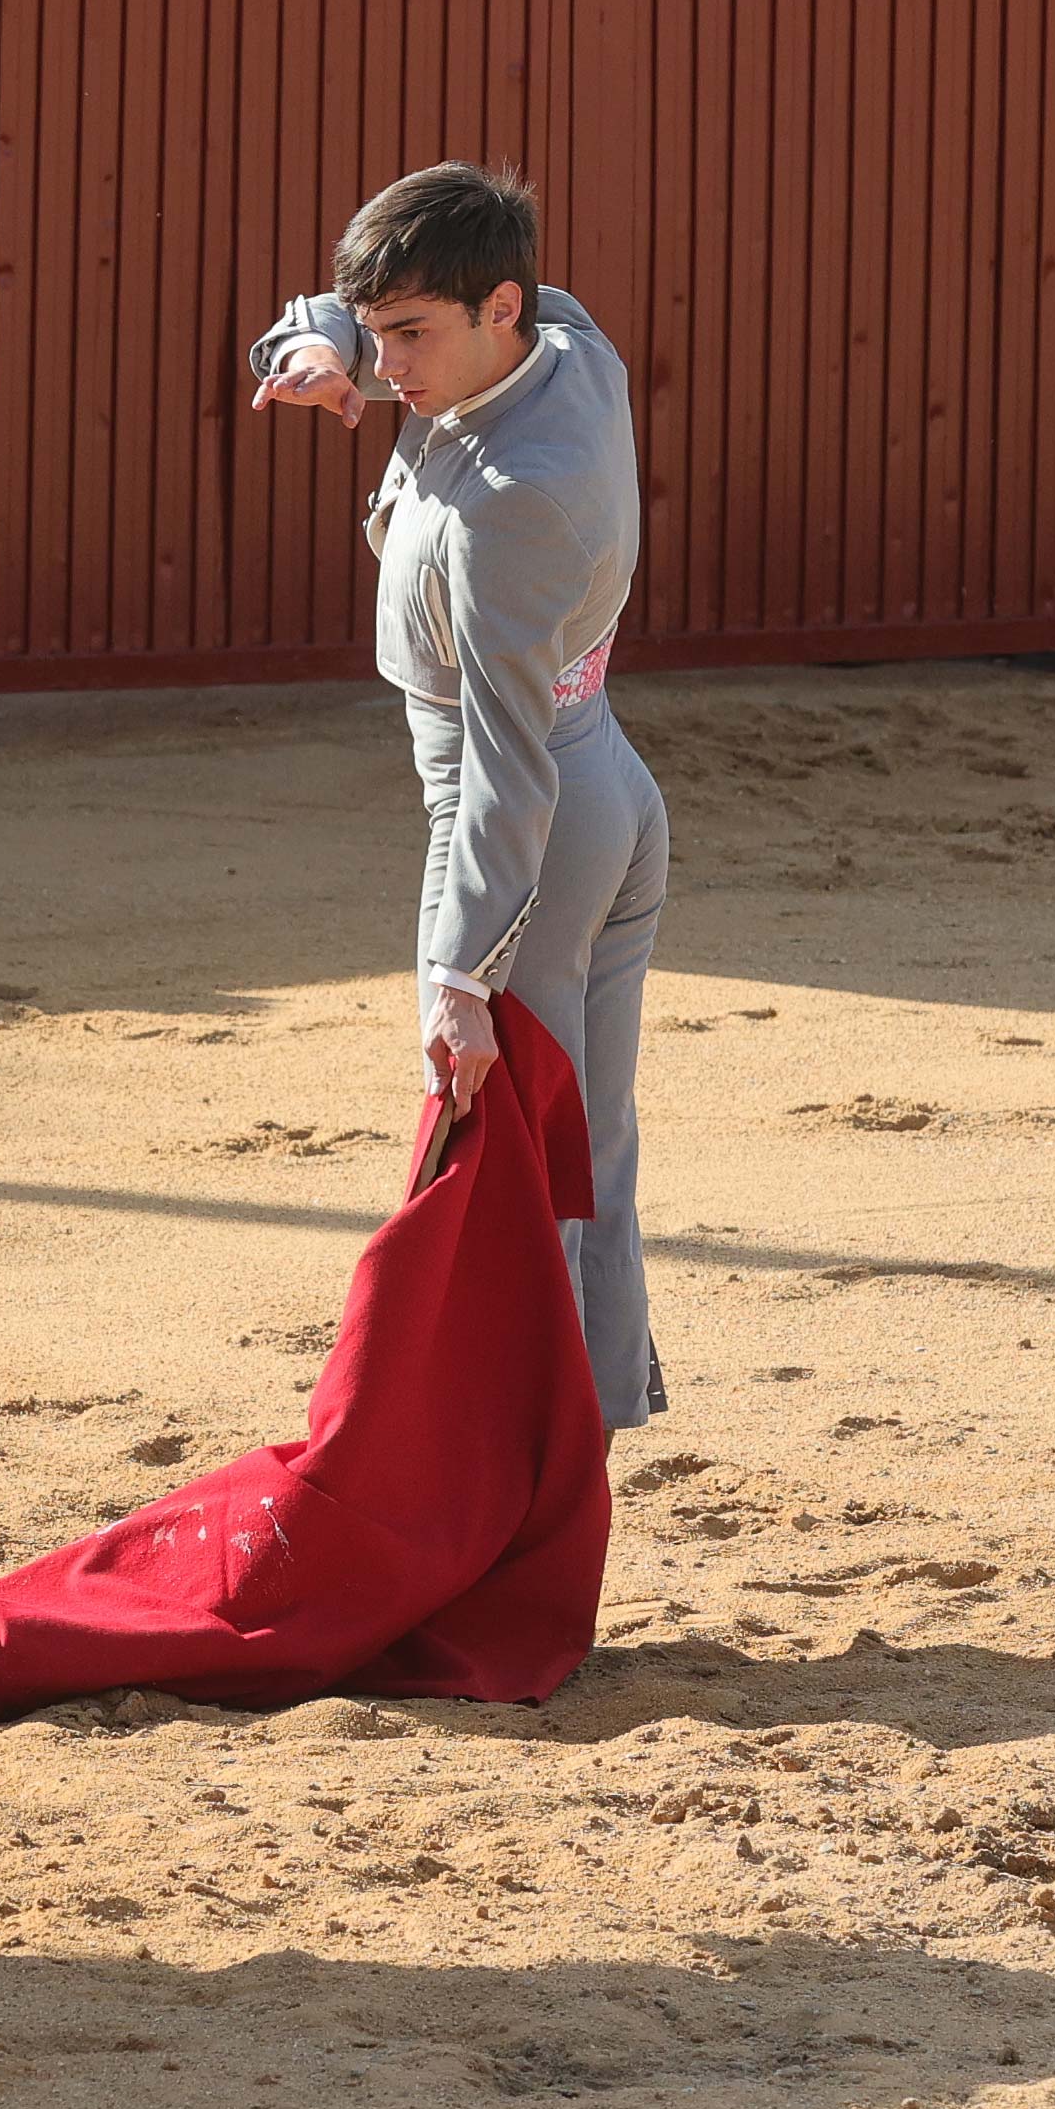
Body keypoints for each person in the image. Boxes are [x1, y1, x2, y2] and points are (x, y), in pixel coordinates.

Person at [247, 160, 670, 1439]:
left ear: (498, 307)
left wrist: (459, 973)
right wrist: (319, 341)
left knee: (504, 1158)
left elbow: (500, 766)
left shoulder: (509, 507)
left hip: (531, 830)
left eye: (408, 340)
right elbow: (349, 315)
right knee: (581, 1151)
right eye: (376, 340)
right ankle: (582, 1426)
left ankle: (509, 1458)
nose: (390, 376)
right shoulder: (565, 338)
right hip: (608, 789)